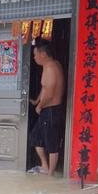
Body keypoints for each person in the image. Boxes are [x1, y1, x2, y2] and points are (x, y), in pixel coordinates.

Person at [28, 38, 65, 176]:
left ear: (43, 54)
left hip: (51, 110)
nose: (34, 57)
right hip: (47, 109)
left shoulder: (50, 68)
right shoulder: (52, 65)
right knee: (36, 136)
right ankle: (44, 165)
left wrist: (40, 106)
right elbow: (45, 88)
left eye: (35, 54)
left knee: (51, 142)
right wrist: (37, 100)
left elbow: (49, 93)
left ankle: (50, 173)